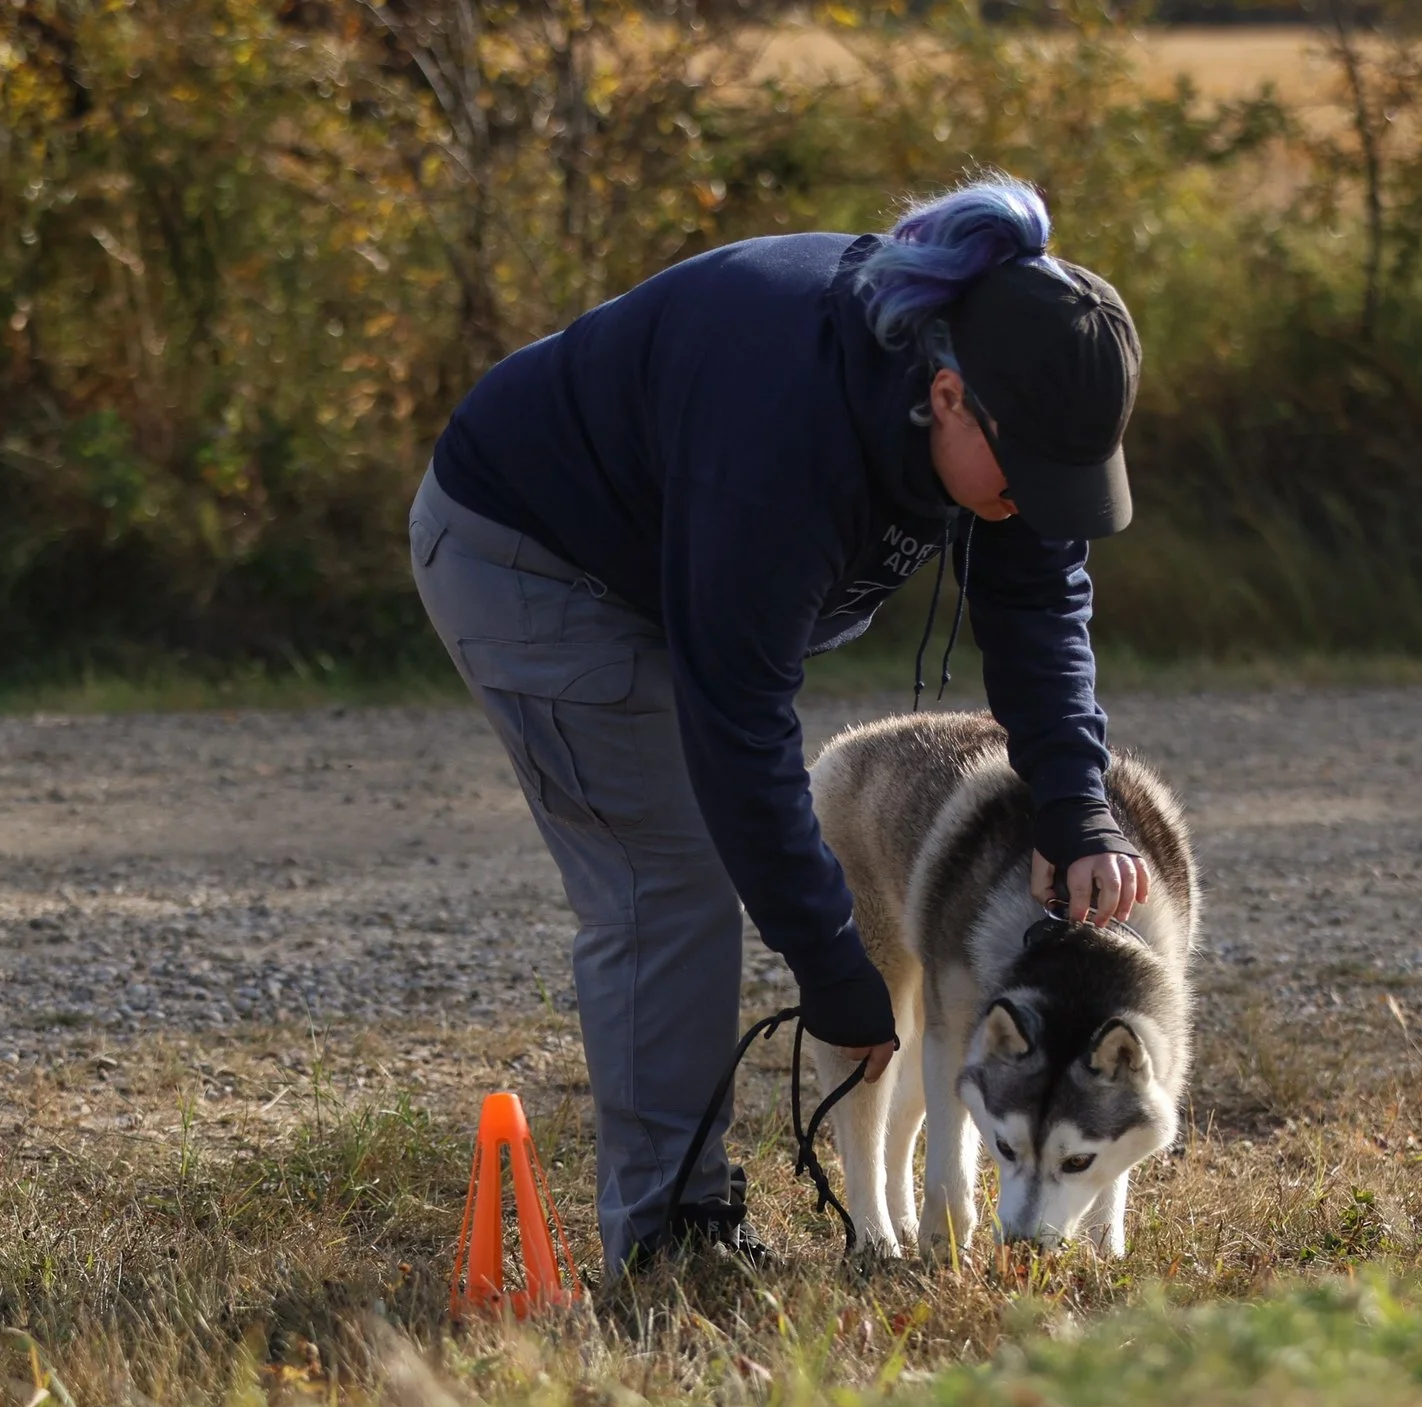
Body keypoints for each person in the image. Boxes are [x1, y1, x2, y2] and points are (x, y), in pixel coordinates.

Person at [408, 175, 1151, 1275]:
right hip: (532, 558)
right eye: (1031, 473)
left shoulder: (1010, 379)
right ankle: (670, 1241)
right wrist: (832, 963)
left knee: (699, 856)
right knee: (668, 877)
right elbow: (740, 721)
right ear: (948, 395)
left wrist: (1076, 802)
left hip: (681, 560)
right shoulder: (783, 429)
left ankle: (674, 1218)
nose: (1042, 498)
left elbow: (1038, 601)